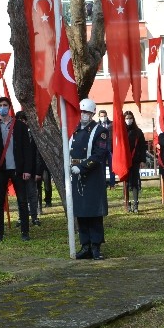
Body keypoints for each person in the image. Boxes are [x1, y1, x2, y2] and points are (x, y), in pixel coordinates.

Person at [0, 97, 34, 241]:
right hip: (0, 169)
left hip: (18, 169)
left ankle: (25, 232)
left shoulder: (20, 126)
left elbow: (27, 149)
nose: (2, 108)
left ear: (10, 107)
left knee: (22, 201)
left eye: (5, 105)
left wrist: (27, 170)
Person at [70, 98, 110, 259]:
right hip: (76, 175)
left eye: (87, 112)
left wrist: (82, 167)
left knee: (93, 212)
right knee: (81, 212)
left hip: (92, 175)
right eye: (82, 112)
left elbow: (99, 154)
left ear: (93, 113)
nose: (84, 115)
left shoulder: (100, 131)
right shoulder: (74, 130)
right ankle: (85, 245)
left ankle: (95, 247)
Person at [17, 110, 43, 227]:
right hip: (18, 170)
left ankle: (34, 216)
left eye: (24, 120)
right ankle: (21, 217)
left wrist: (38, 171)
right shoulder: (13, 134)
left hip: (31, 170)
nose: (22, 122)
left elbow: (38, 154)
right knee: (21, 195)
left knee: (32, 194)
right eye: (20, 120)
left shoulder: (33, 134)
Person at [123, 110, 147, 213]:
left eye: (130, 118)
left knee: (135, 182)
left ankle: (135, 204)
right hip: (124, 161)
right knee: (126, 183)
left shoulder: (138, 132)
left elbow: (142, 147)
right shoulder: (121, 131)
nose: (129, 120)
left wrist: (142, 160)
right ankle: (127, 203)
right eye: (127, 118)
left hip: (135, 160)